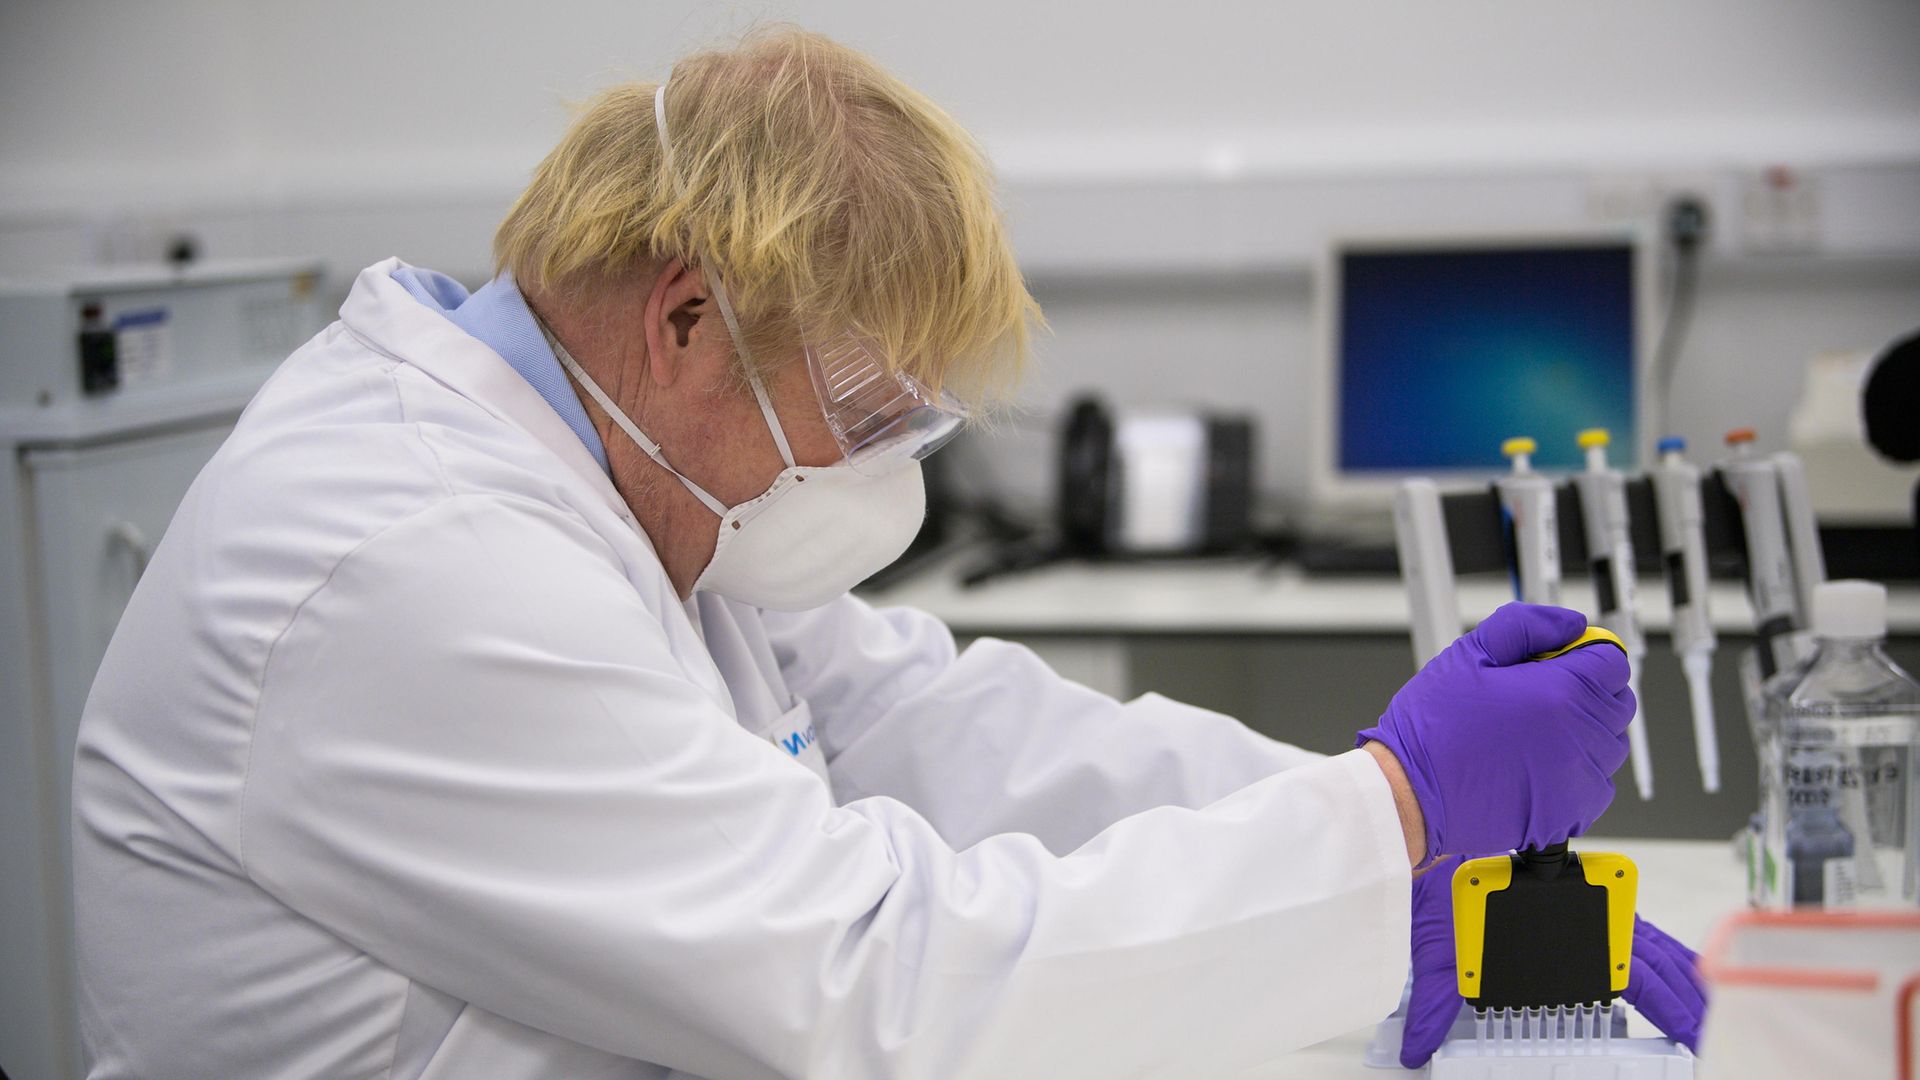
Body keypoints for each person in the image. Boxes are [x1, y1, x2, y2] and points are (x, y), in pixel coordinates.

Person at [69, 26, 1702, 1080]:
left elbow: (937, 727)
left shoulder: (621, 493)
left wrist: (1384, 829)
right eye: (862, 401)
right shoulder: (413, 562)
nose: (882, 466)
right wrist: (1393, 819)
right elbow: (875, 982)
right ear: (684, 320)